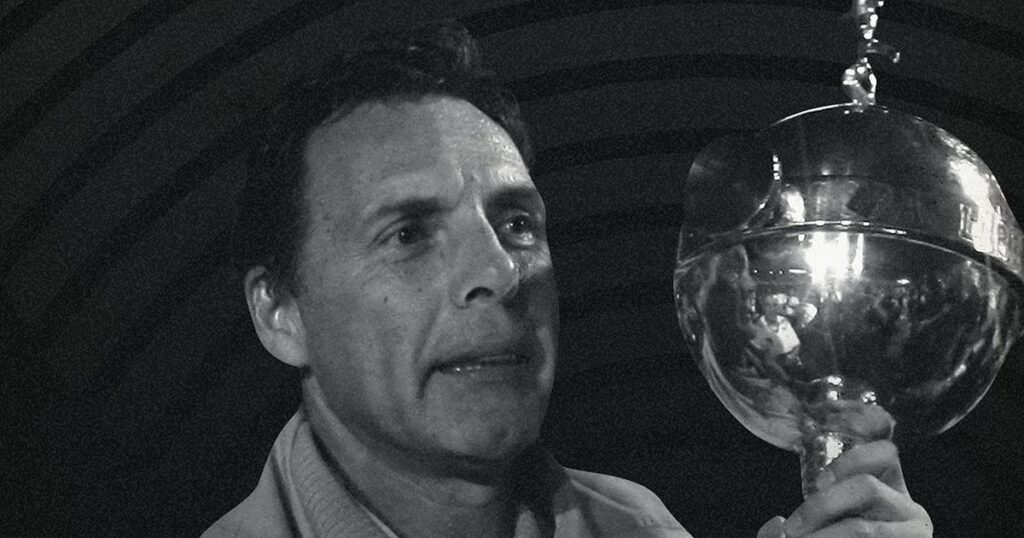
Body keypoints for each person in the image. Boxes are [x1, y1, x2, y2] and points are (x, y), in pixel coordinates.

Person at [203, 21, 932, 537]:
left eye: (518, 224)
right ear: (279, 313)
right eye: (409, 234)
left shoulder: (636, 527)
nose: (499, 271)